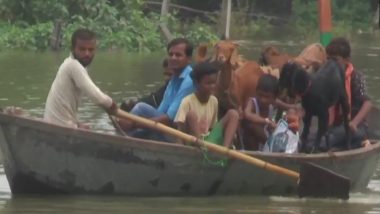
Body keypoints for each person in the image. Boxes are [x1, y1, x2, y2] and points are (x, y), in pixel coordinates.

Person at [117, 38, 195, 141]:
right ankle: (125, 136)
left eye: (178, 55)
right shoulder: (174, 78)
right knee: (141, 109)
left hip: (179, 133)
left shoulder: (189, 80)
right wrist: (139, 123)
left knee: (140, 110)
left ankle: (124, 137)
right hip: (168, 127)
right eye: (171, 54)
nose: (173, 58)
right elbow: (161, 111)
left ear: (189, 59)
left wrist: (135, 124)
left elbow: (170, 118)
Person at [44, 29, 118, 128]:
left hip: (59, 124)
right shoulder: (73, 66)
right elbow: (97, 96)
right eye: (82, 49)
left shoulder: (71, 64)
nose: (87, 53)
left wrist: (77, 124)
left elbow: (68, 106)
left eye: (91, 50)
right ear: (73, 49)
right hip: (60, 126)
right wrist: (112, 105)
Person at [174, 62, 239, 148]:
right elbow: (180, 130)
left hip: (208, 140)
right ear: (197, 83)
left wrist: (225, 135)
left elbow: (212, 128)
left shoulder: (214, 101)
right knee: (191, 115)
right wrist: (180, 148)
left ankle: (225, 150)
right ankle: (201, 147)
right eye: (208, 83)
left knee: (233, 114)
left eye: (214, 83)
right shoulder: (187, 101)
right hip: (193, 142)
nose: (212, 86)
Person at [326, 37, 373, 149]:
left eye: (335, 60)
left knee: (329, 139)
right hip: (336, 125)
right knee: (312, 137)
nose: (331, 64)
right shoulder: (328, 77)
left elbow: (368, 103)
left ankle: (360, 142)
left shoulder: (356, 76)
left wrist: (354, 123)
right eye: (328, 59)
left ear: (347, 60)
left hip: (356, 127)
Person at [242, 74, 279, 151]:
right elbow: (247, 114)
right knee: (252, 125)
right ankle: (271, 145)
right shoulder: (252, 102)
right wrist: (267, 121)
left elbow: (281, 104)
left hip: (264, 146)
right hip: (251, 147)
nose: (263, 99)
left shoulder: (272, 106)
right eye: (260, 95)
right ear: (256, 92)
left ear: (274, 98)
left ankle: (272, 146)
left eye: (267, 97)